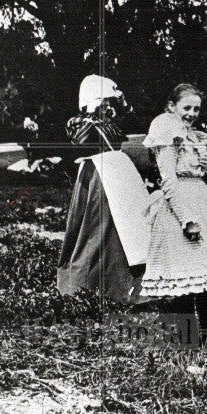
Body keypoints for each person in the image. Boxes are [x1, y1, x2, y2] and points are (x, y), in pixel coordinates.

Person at [140, 84, 207, 342]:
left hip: (202, 202)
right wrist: (186, 219)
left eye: (196, 108)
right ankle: (187, 339)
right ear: (171, 106)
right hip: (180, 207)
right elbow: (168, 179)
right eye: (186, 107)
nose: (191, 113)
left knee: (206, 273)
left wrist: (203, 167)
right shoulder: (166, 128)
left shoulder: (192, 135)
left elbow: (194, 169)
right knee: (184, 276)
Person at [57, 75, 150, 306]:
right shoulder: (78, 123)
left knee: (125, 229)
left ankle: (123, 283)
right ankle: (86, 283)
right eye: (104, 101)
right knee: (96, 227)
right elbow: (79, 141)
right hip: (98, 175)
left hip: (119, 175)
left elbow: (124, 127)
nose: (108, 106)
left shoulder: (112, 122)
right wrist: (92, 114)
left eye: (110, 102)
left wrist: (119, 103)